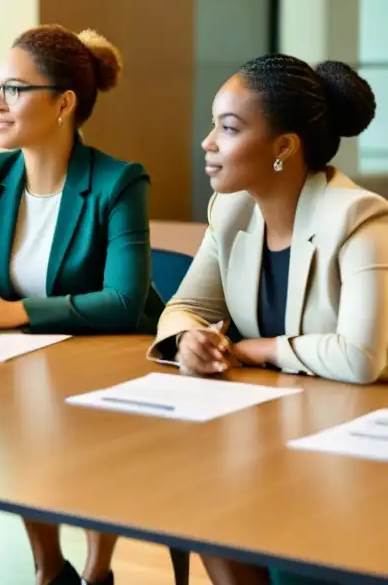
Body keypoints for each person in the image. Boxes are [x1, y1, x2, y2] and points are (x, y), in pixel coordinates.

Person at [0, 24, 161, 585]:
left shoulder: (117, 182)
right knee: (10, 416)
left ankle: (99, 569)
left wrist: (17, 312)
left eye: (14, 89)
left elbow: (126, 302)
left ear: (64, 103)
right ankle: (48, 566)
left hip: (110, 369)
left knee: (62, 421)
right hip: (25, 369)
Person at [149, 54, 388, 585]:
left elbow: (360, 356)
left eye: (229, 129)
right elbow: (184, 308)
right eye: (213, 125)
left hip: (357, 448)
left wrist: (256, 349)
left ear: (284, 147)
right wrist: (190, 340)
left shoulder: (360, 219)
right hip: (279, 434)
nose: (208, 142)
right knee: (196, 496)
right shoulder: (233, 212)